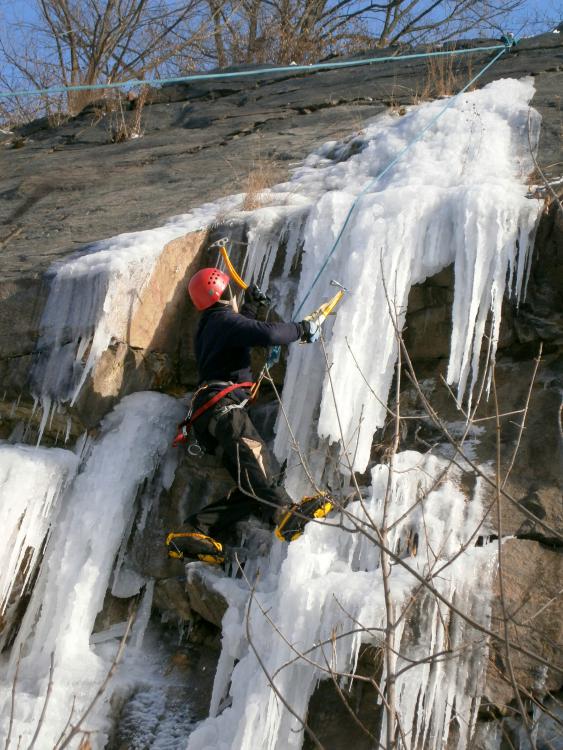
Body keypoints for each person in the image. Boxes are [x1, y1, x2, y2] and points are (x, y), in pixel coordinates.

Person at [166, 267, 330, 565]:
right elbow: (266, 334)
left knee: (251, 485)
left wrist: (252, 307)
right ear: (225, 292)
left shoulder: (210, 324)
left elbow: (239, 332)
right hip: (224, 410)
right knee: (260, 461)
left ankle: (197, 530)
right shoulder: (222, 321)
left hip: (209, 418)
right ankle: (284, 512)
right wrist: (303, 328)